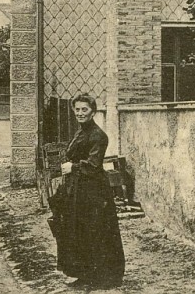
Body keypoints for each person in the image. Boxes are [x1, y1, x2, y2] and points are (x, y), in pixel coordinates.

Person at [49, 93, 124, 288]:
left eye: (85, 109)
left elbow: (93, 165)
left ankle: (103, 277)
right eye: (77, 109)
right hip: (78, 188)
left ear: (93, 112)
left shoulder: (98, 135)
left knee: (95, 231)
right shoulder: (80, 132)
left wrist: (73, 167)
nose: (80, 113)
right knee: (79, 230)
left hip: (93, 190)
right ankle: (84, 274)